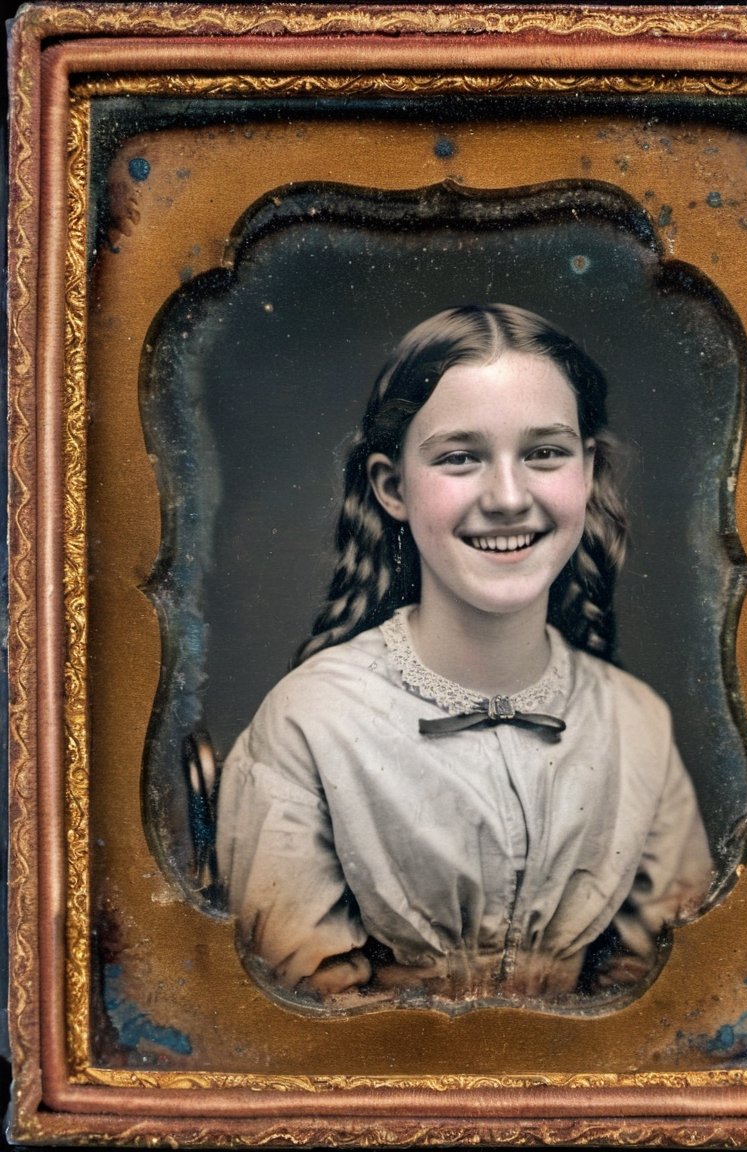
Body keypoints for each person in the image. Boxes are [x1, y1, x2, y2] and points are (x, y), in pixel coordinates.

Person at [215, 303, 714, 1014]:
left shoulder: (637, 724)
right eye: (460, 457)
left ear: (587, 471)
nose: (508, 499)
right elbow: (296, 1024)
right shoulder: (309, 725)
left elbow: (673, 1003)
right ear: (393, 487)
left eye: (545, 453)